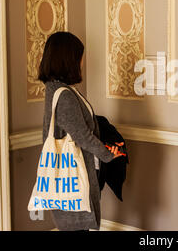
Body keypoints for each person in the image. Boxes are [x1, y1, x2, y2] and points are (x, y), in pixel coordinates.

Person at [38, 31, 123, 231]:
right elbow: (82, 135)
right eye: (79, 56)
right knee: (78, 226)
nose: (82, 62)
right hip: (76, 173)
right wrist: (107, 154)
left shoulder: (55, 89)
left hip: (70, 172)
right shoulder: (65, 95)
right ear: (69, 59)